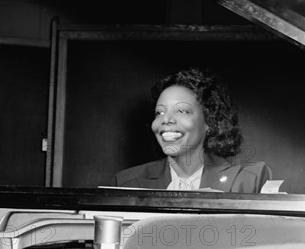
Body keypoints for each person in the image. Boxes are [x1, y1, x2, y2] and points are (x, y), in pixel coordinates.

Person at [112, 68, 272, 193]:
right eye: (159, 112)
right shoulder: (126, 182)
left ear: (210, 121)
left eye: (182, 111)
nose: (166, 119)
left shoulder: (250, 179)